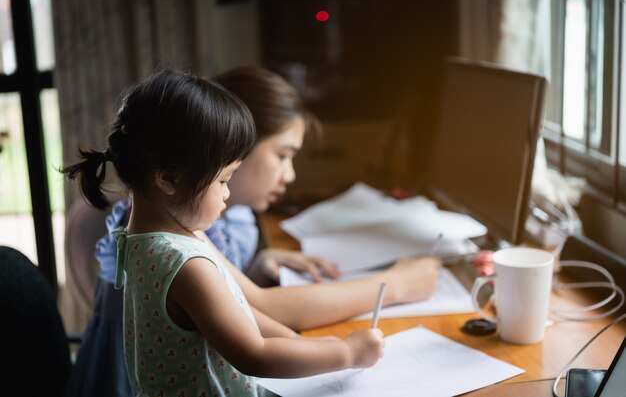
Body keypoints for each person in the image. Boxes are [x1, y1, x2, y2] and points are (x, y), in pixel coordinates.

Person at [64, 67, 440, 397]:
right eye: (224, 180)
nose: (227, 192)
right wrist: (347, 353)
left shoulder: (160, 235)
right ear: (168, 178)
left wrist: (299, 343)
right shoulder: (183, 261)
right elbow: (254, 354)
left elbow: (243, 310)